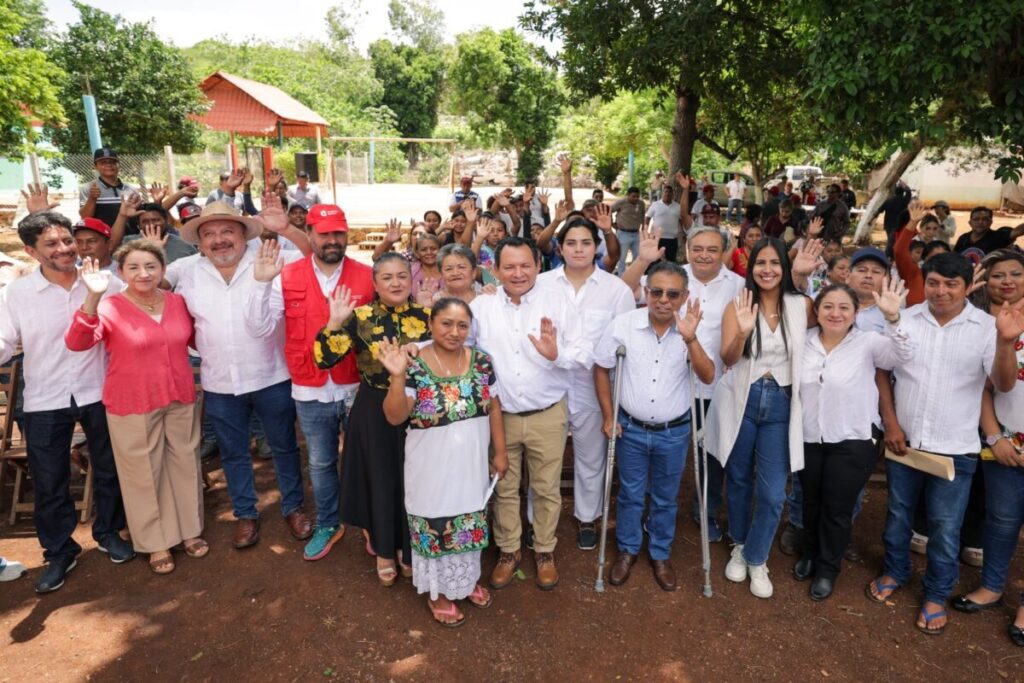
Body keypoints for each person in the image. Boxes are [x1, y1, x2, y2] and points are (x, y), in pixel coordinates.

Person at [867, 252, 1012, 636]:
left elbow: (1000, 382)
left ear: (968, 287)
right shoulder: (905, 316)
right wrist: (891, 423)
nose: (941, 291)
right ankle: (895, 571)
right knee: (898, 514)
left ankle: (936, 593)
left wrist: (1005, 344)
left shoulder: (986, 328)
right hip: (905, 443)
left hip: (956, 448)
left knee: (946, 527)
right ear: (925, 283)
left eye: (951, 284)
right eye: (933, 282)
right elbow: (883, 371)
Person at [166, 196, 313, 549]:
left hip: (271, 376)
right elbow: (146, 283)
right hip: (218, 380)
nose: (219, 240)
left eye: (227, 231)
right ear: (200, 242)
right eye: (210, 234)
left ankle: (293, 507)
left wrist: (287, 228)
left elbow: (313, 258)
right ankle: (245, 514)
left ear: (244, 235)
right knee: (232, 452)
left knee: (283, 446)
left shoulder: (271, 257)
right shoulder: (186, 270)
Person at [0, 211, 132, 593]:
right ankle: (60, 550)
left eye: (67, 241)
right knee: (50, 478)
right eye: (51, 244)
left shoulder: (107, 283)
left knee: (109, 467)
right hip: (45, 397)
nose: (64, 249)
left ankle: (109, 532)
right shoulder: (18, 294)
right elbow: (6, 343)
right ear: (30, 250)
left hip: (100, 390)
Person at [66, 243, 206, 575]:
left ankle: (189, 530)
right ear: (120, 273)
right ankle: (155, 541)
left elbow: (199, 340)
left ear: (162, 269)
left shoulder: (177, 302)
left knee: (185, 464)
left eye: (150, 266)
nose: (143, 274)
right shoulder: (111, 306)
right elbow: (78, 342)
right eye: (133, 267)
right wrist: (91, 297)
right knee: (144, 473)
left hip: (179, 396)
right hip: (132, 401)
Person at [246, 204, 375, 561]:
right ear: (311, 234)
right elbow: (259, 328)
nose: (333, 240)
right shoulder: (285, 274)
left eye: (339, 233)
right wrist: (260, 283)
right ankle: (329, 522)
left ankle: (369, 521)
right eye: (325, 233)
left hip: (356, 386)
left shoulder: (367, 275)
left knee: (362, 457)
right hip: (309, 385)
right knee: (319, 462)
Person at [378, 299, 507, 626]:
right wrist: (396, 377)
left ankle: (465, 581)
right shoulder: (414, 363)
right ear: (431, 324)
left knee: (470, 520)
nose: (454, 331)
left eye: (462, 325)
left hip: (471, 462)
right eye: (446, 323)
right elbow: (395, 417)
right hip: (430, 465)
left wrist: (500, 452)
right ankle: (439, 593)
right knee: (436, 521)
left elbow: (494, 407)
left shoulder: (482, 362)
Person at [705, 237, 819, 598]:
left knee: (772, 492)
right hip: (743, 398)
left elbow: (832, 334)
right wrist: (741, 331)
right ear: (749, 268)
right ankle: (739, 544)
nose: (767, 269)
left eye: (774, 263)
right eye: (759, 263)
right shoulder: (738, 305)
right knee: (737, 479)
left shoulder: (802, 305)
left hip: (782, 404)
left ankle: (757, 557)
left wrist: (803, 280)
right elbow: (728, 356)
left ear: (784, 268)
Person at [471, 236, 587, 592]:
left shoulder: (559, 303)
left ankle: (544, 550)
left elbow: (583, 351)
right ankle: (509, 551)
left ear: (540, 265)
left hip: (547, 414)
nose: (518, 273)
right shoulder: (481, 307)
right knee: (503, 485)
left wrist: (557, 355)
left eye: (525, 265)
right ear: (495, 270)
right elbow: (462, 349)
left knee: (546, 487)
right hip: (499, 417)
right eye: (509, 266)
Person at [312, 253, 432, 584]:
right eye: (387, 277)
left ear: (411, 279)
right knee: (381, 479)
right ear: (375, 283)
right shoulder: (359, 316)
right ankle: (382, 549)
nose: (396, 283)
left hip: (418, 407)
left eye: (402, 276)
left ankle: (410, 549)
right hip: (374, 407)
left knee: (414, 480)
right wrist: (334, 323)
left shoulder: (427, 316)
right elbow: (325, 360)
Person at [596, 262, 714, 590]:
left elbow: (707, 375)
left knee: (665, 496)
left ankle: (660, 552)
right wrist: (609, 415)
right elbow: (602, 367)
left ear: (684, 296)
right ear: (646, 293)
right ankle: (628, 550)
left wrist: (690, 339)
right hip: (631, 429)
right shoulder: (624, 325)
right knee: (631, 493)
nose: (663, 299)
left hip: (673, 432)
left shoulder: (690, 328)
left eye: (672, 294)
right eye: (656, 292)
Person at [796, 280, 910, 600]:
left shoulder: (869, 342)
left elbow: (901, 355)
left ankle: (827, 569)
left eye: (844, 307)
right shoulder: (802, 341)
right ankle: (809, 554)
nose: (835, 313)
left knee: (837, 508)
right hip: (808, 436)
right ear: (816, 311)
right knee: (810, 501)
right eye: (828, 306)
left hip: (852, 439)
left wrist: (893, 318)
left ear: (855, 312)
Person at [537, 217, 635, 550]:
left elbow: (620, 341)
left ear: (597, 247)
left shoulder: (616, 290)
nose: (578, 249)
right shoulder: (542, 284)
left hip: (596, 385)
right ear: (560, 248)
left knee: (590, 455)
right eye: (571, 243)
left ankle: (586, 516)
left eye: (585, 243)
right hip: (548, 381)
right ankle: (537, 521)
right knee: (544, 457)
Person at [952, 250, 1024, 645]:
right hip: (1005, 444)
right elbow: (991, 387)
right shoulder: (983, 327)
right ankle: (992, 586)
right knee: (1000, 521)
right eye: (998, 275)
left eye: (1016, 273)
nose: (1007, 281)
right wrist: (994, 437)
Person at [79, 148, 136, 227]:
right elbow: (85, 217)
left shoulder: (130, 189)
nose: (109, 165)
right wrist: (92, 198)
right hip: (103, 237)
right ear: (96, 166)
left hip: (131, 236)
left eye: (112, 162)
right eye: (103, 162)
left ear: (119, 165)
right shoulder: (88, 188)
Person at [644, 177, 685, 262]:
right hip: (657, 238)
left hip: (672, 239)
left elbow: (681, 220)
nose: (667, 194)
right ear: (662, 193)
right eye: (666, 192)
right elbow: (648, 217)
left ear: (673, 194)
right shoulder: (655, 204)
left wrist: (683, 233)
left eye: (670, 192)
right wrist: (646, 231)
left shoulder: (677, 206)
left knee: (671, 261)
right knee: (656, 260)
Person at [954, 207, 1024, 256]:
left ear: (990, 222)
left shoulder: (998, 237)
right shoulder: (963, 239)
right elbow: (954, 257)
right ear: (970, 222)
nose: (980, 222)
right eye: (976, 219)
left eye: (985, 219)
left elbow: (1018, 231)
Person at [611, 187, 645, 274]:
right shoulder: (621, 202)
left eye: (637, 196)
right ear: (628, 195)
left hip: (636, 233)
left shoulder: (641, 203)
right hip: (623, 233)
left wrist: (643, 227)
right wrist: (612, 224)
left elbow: (643, 215)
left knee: (638, 256)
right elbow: (609, 211)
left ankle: (633, 274)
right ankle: (621, 277)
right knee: (622, 257)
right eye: (633, 196)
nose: (636, 198)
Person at [881, 181, 913, 258]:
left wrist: (871, 219)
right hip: (898, 224)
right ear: (903, 193)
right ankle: (890, 256)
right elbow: (909, 193)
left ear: (895, 192)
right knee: (895, 241)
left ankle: (890, 256)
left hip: (888, 224)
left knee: (890, 240)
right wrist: (905, 186)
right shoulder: (904, 201)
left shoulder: (888, 201)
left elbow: (880, 210)